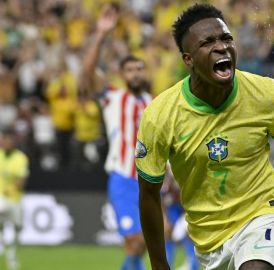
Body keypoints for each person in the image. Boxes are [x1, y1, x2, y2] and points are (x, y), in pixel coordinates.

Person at [136, 4, 274, 270]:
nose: (221, 47)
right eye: (208, 42)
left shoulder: (264, 93)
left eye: (226, 38)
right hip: (209, 239)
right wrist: (159, 265)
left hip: (264, 211)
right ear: (188, 60)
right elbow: (148, 193)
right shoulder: (160, 116)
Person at [80, 5, 152, 270]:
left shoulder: (152, 102)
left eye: (139, 69)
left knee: (144, 241)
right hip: (123, 179)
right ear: (122, 75)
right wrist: (100, 35)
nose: (135, 73)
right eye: (130, 70)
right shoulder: (113, 97)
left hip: (148, 181)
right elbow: (87, 75)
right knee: (134, 240)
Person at [0, 128, 29, 270]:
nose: (6, 143)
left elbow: (21, 182)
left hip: (15, 199)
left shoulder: (20, 158)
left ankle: (12, 255)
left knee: (17, 228)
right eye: (4, 140)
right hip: (1, 198)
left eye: (9, 140)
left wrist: (9, 189)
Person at [161, 165, 199, 270]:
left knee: (189, 233)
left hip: (186, 212)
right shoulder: (164, 183)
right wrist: (165, 219)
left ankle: (192, 265)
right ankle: (167, 265)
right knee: (166, 232)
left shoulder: (184, 180)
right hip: (172, 211)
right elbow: (162, 201)